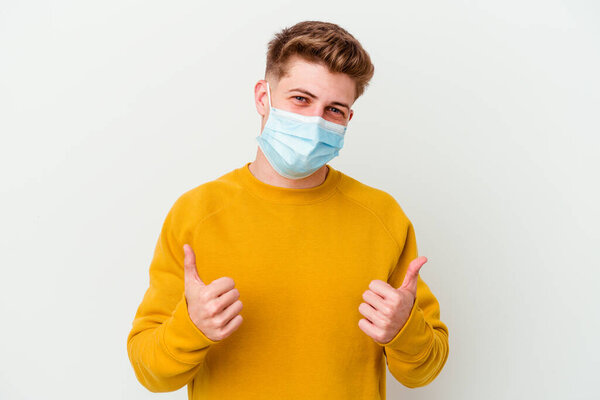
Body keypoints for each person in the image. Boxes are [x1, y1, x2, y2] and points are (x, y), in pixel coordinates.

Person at [126, 20, 449, 399]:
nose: (314, 122)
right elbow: (151, 374)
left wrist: (403, 329)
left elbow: (423, 372)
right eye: (300, 99)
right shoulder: (196, 212)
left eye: (334, 110)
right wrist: (191, 326)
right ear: (263, 97)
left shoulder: (382, 216)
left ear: (349, 119)